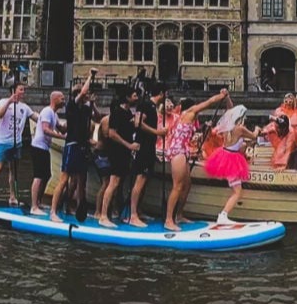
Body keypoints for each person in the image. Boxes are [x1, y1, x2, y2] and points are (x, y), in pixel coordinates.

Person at [164, 88, 229, 230]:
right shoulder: (189, 112)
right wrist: (221, 95)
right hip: (177, 151)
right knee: (177, 186)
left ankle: (179, 215)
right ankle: (168, 220)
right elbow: (209, 102)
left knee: (187, 185)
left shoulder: (187, 118)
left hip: (184, 151)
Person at [49, 71, 97, 220]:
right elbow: (82, 92)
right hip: (72, 145)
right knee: (64, 179)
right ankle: (53, 212)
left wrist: (93, 104)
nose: (87, 95)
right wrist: (91, 76)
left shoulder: (85, 108)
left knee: (80, 182)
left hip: (83, 147)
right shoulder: (72, 105)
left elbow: (97, 116)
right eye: (86, 94)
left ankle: (75, 208)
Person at [0, 82, 38, 207]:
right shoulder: (3, 102)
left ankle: (12, 196)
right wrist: (9, 101)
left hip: (16, 143)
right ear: (14, 90)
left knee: (13, 170)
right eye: (21, 89)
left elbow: (36, 117)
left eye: (24, 90)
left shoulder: (24, 107)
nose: (23, 92)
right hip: (2, 141)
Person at [95, 86, 142, 226]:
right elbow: (112, 133)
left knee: (119, 183)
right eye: (134, 95)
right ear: (127, 97)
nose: (137, 98)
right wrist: (129, 145)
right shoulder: (117, 112)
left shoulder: (128, 113)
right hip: (117, 152)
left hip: (125, 153)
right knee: (113, 182)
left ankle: (114, 212)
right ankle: (103, 216)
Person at [206, 106, 261, 224]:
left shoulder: (227, 127)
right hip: (232, 160)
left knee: (235, 188)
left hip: (223, 154)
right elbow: (254, 136)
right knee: (237, 192)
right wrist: (257, 129)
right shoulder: (240, 128)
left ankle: (223, 215)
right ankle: (223, 215)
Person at [128, 81, 169, 226]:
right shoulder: (146, 105)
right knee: (140, 180)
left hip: (150, 147)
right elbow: (137, 122)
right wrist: (157, 132)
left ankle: (138, 210)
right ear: (162, 93)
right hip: (143, 147)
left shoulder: (153, 107)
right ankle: (132, 215)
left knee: (145, 180)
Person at [30, 91, 66, 216]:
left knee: (47, 175)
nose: (64, 101)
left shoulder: (54, 114)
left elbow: (61, 128)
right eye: (62, 99)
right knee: (39, 176)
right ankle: (33, 206)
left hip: (45, 148)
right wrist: (61, 137)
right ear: (55, 99)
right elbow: (45, 130)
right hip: (38, 146)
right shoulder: (47, 111)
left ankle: (38, 202)